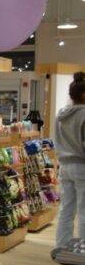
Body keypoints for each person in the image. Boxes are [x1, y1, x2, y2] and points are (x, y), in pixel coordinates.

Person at [55, 72, 85, 247]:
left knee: (66, 208)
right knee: (83, 210)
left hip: (64, 166)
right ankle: (83, 249)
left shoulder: (61, 114)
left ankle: (61, 245)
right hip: (82, 166)